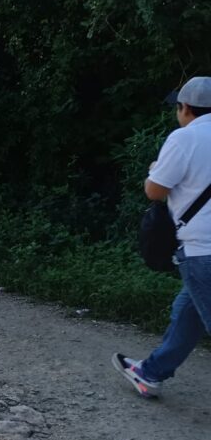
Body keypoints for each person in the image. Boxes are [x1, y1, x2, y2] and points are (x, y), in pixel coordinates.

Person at [114, 76, 211, 398]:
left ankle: (152, 372)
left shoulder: (185, 138)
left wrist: (156, 167)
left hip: (202, 250)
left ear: (185, 108)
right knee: (188, 310)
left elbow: (155, 190)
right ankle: (151, 372)